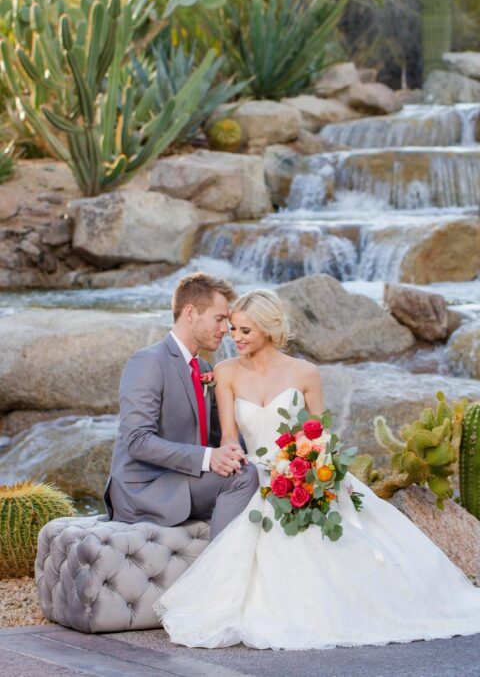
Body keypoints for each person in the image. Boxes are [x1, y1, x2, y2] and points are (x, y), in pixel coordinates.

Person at [154, 288, 480, 650]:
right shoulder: (226, 373)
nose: (236, 338)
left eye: (245, 330)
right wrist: (230, 457)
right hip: (257, 479)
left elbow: (321, 436)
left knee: (339, 540)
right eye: (232, 329)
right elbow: (230, 438)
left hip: (305, 473)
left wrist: (309, 470)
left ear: (268, 328)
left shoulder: (305, 373)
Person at [104, 272, 259, 539]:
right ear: (190, 313)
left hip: (182, 481)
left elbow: (222, 434)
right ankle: (219, 570)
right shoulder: (149, 361)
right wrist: (210, 458)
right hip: (144, 489)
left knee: (263, 474)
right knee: (243, 477)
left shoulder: (205, 369)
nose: (226, 329)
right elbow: (137, 441)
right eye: (220, 319)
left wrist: (276, 456)